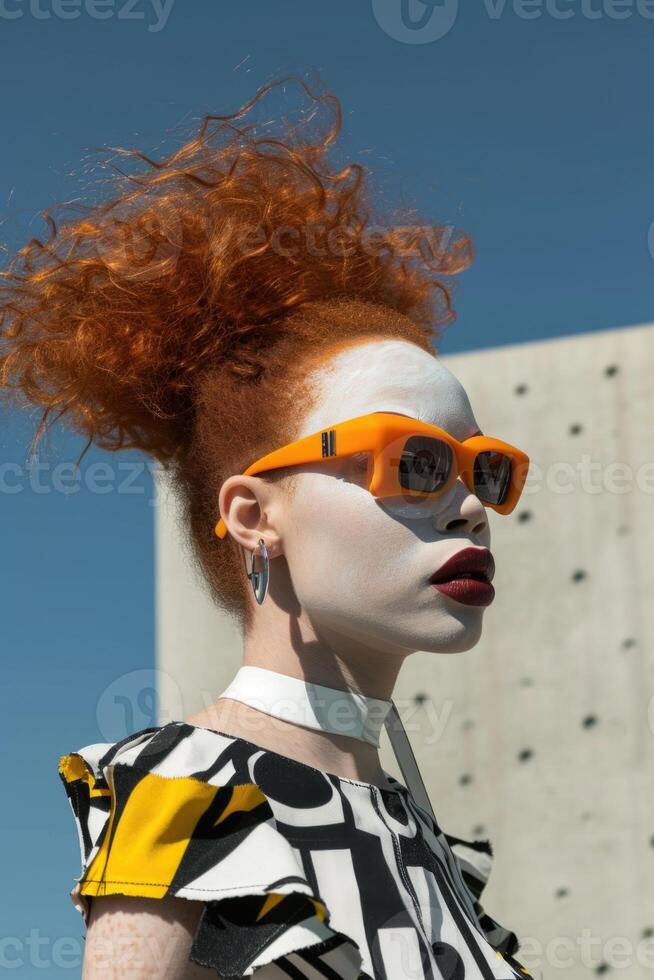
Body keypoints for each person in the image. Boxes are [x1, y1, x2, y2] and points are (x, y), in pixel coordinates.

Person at [0, 76, 532, 979]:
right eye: (416, 461)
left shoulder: (440, 856)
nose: (472, 503)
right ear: (253, 516)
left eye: (486, 467)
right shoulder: (183, 793)